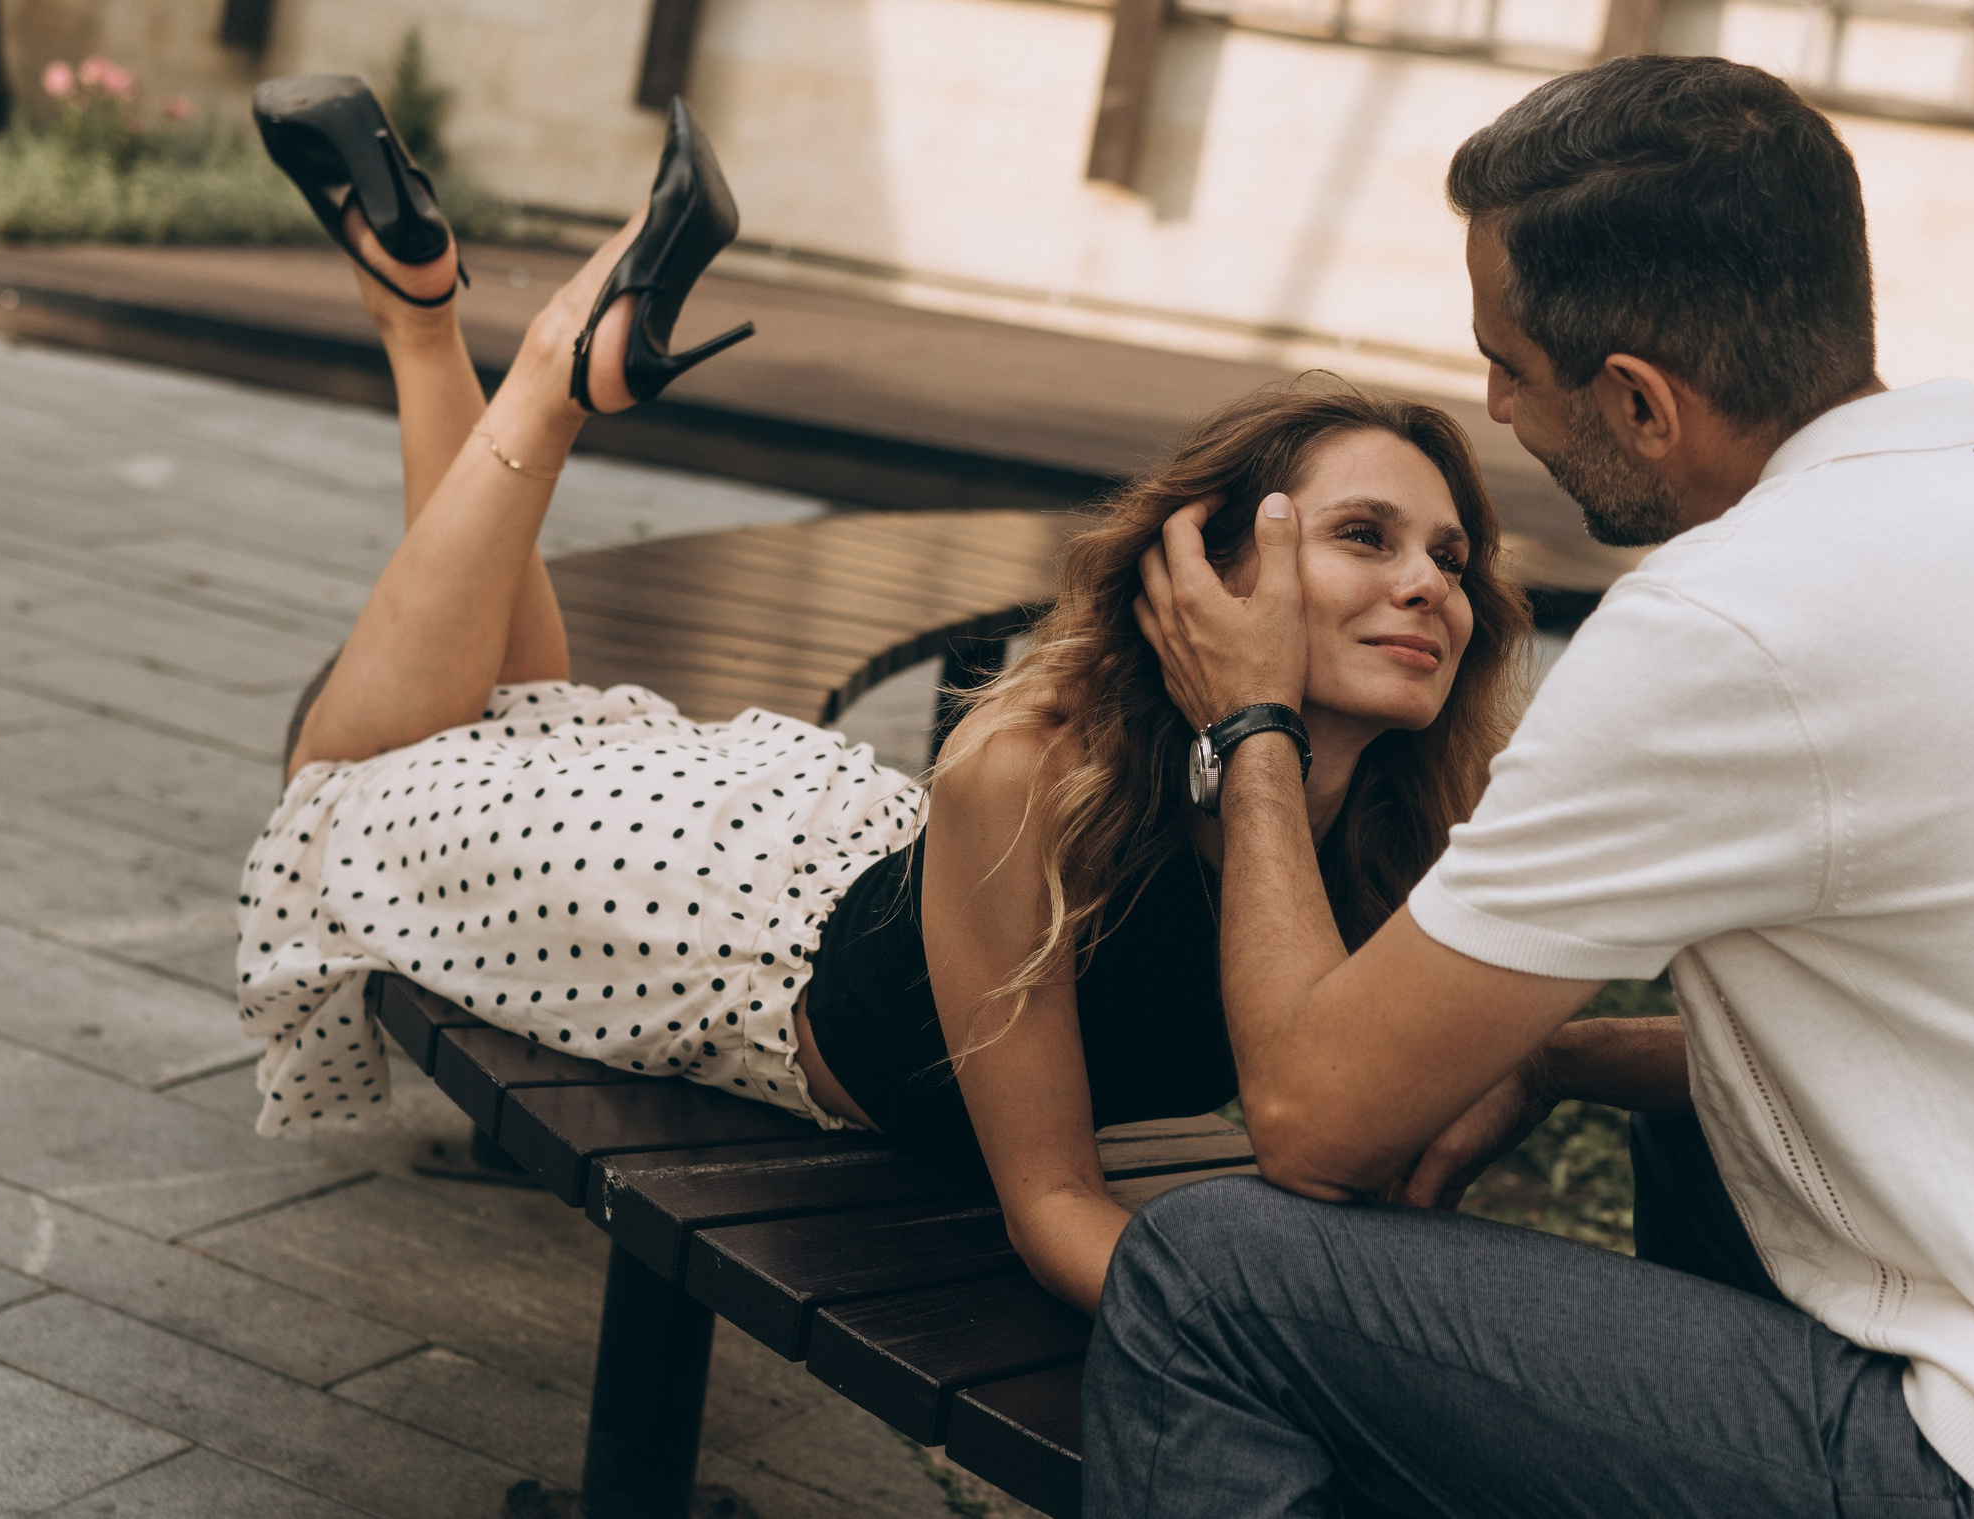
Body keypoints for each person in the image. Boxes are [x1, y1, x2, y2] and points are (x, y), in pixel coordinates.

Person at [1096, 53, 1974, 1519]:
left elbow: (1317, 1123)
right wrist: (1562, 1060)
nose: (1496, 407)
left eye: (1508, 364)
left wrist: (1249, 720)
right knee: (1718, 1123)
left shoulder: (1734, 622)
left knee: (1214, 1274)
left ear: (1641, 403)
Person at [231, 83, 1534, 1312]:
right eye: (1365, 536)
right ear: (1208, 568)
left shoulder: (1410, 823)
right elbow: (1054, 1207)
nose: (1427, 583)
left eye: (1452, 557)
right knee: (340, 783)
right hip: (692, 921)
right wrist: (1298, 1364)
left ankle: (421, 314)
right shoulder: (1025, 774)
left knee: (504, 706)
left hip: (825, 849)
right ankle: (555, 374)